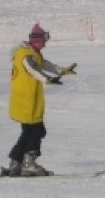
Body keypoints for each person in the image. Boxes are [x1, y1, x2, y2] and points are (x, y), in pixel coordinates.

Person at [6, 23, 76, 176]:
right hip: (26, 101)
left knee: (29, 131)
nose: (45, 43)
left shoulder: (32, 53)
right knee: (36, 131)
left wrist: (62, 70)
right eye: (44, 40)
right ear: (37, 40)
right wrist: (47, 80)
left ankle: (16, 161)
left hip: (29, 101)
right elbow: (33, 70)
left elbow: (44, 64)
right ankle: (29, 162)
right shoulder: (25, 55)